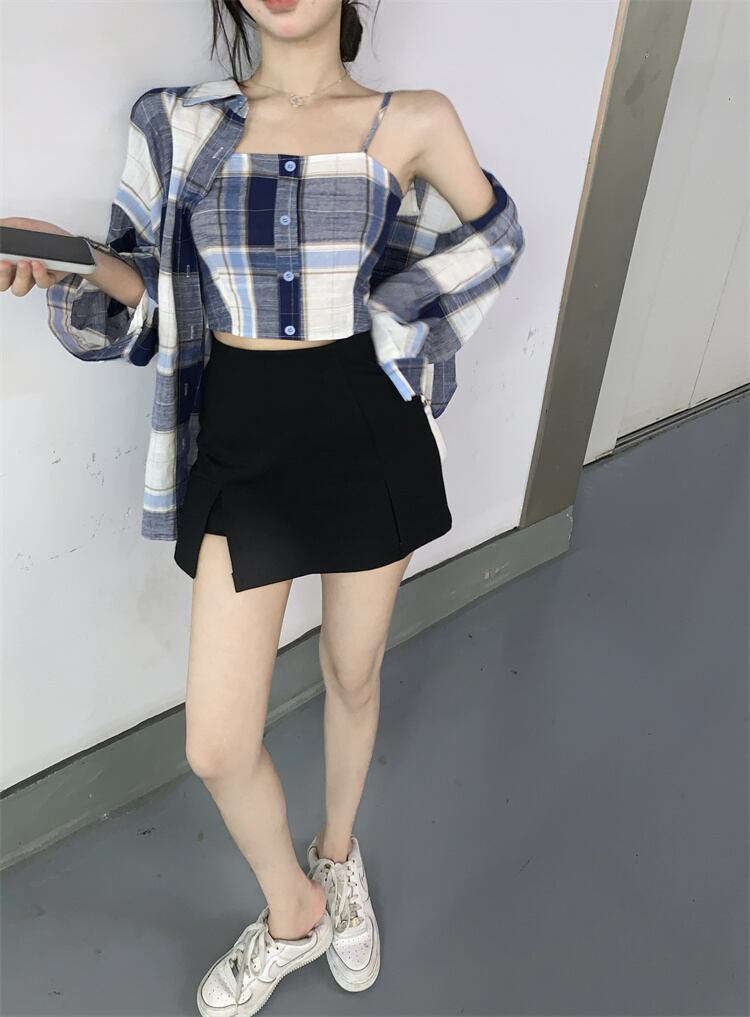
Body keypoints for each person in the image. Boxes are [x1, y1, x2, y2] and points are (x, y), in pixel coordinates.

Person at [1, 2, 525, 1013]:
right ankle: (295, 909)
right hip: (243, 438)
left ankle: (338, 854)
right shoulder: (178, 125)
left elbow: (497, 236)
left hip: (366, 429)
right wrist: (69, 253)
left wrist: (396, 320)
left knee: (352, 673)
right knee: (217, 741)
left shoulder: (415, 120)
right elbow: (155, 294)